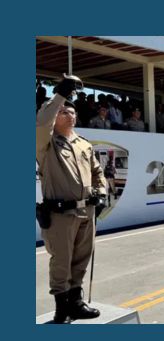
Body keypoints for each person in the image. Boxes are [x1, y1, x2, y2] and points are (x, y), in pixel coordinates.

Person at [36, 74, 107, 324]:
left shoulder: (83, 144)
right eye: (65, 112)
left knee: (81, 259)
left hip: (86, 212)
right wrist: (60, 95)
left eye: (73, 112)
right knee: (61, 262)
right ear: (55, 117)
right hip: (60, 215)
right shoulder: (45, 143)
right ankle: (62, 308)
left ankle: (76, 302)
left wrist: (102, 192)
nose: (71, 115)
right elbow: (42, 122)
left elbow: (98, 172)